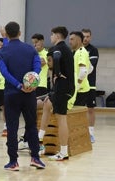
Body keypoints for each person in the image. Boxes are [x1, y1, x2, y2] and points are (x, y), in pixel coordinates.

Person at [0, 21, 45, 171]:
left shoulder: (3, 51)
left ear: (7, 34)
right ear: (19, 33)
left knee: (12, 127)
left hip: (11, 94)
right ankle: (35, 158)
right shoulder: (30, 49)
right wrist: (31, 82)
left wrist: (18, 85)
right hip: (30, 94)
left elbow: (4, 72)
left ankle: (13, 162)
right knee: (31, 125)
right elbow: (37, 66)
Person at [37, 26, 75, 161]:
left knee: (61, 118)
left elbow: (57, 59)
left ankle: (63, 152)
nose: (50, 37)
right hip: (62, 87)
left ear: (57, 36)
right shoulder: (66, 49)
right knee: (47, 103)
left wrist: (57, 74)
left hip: (63, 87)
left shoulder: (58, 49)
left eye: (52, 35)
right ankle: (39, 140)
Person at [82, 28, 98, 142]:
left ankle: (91, 133)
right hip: (78, 86)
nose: (85, 38)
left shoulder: (93, 50)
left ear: (90, 37)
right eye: (84, 36)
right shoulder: (77, 50)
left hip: (90, 84)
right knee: (77, 109)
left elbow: (91, 68)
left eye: (88, 36)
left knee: (90, 109)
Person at [68, 30, 91, 110]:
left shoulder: (81, 52)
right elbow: (90, 68)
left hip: (80, 90)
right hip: (81, 89)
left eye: (71, 39)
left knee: (76, 115)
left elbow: (83, 71)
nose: (69, 42)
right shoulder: (79, 52)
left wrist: (76, 86)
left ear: (78, 40)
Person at [31, 33, 49, 103]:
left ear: (42, 41)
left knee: (39, 106)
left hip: (41, 85)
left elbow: (41, 63)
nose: (34, 45)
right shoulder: (33, 54)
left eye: (36, 42)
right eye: (33, 43)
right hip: (32, 84)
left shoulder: (46, 54)